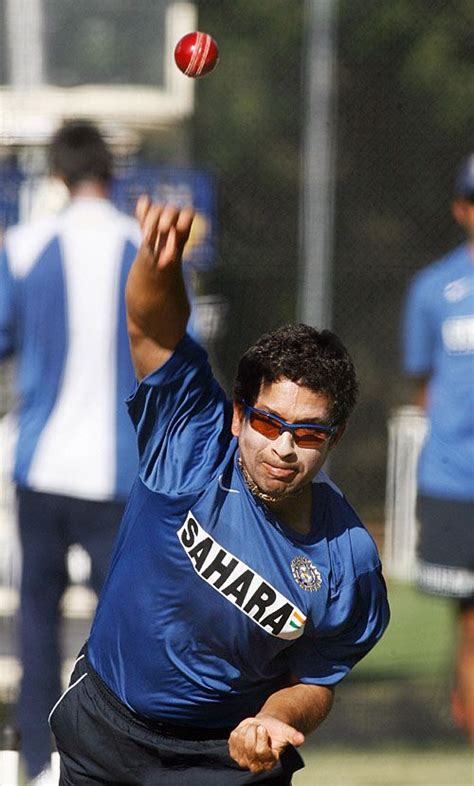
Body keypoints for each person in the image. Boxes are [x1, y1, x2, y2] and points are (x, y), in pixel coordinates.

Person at [49, 198, 390, 785]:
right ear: (238, 417)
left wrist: (271, 721)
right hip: (105, 732)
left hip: (225, 760)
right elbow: (153, 331)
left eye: (308, 433)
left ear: (335, 439)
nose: (284, 447)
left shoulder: (348, 559)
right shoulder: (191, 442)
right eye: (269, 422)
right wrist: (160, 263)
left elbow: (314, 680)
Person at [0, 120, 141, 784]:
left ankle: (33, 764)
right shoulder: (143, 244)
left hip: (41, 466)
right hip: (119, 471)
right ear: (110, 173)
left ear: (56, 176)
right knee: (120, 632)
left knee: (37, 622)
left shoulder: (23, 246)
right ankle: (111, 760)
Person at [402, 154, 474, 744]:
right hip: (457, 481)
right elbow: (422, 381)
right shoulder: (433, 288)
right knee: (471, 625)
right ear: (460, 208)